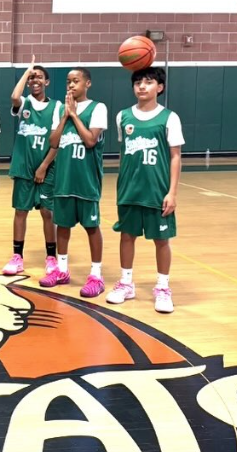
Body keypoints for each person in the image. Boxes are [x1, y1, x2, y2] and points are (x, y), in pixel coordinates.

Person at [106, 67, 183, 313]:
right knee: (126, 236)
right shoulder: (123, 117)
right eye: (138, 82)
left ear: (159, 87)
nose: (142, 86)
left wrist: (172, 192)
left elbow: (175, 157)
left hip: (157, 191)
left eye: (148, 82)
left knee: (161, 240)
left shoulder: (169, 118)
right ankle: (126, 283)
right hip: (129, 189)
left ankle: (162, 287)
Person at [43, 67, 108, 298]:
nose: (71, 85)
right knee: (62, 227)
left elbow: (90, 140)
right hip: (64, 179)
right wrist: (64, 116)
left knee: (91, 227)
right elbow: (53, 141)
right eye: (68, 81)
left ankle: (96, 275)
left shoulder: (98, 108)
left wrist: (74, 115)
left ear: (87, 83)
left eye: (76, 81)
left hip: (86, 181)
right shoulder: (60, 110)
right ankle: (61, 270)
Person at [2, 56, 60, 277]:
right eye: (32, 77)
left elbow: (57, 141)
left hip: (46, 166)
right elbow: (14, 96)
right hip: (24, 167)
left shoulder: (56, 107)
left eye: (39, 77)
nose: (35, 80)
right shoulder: (24, 103)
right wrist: (27, 71)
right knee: (21, 212)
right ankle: (17, 257)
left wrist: (44, 166)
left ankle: (51, 258)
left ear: (47, 82)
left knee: (47, 212)